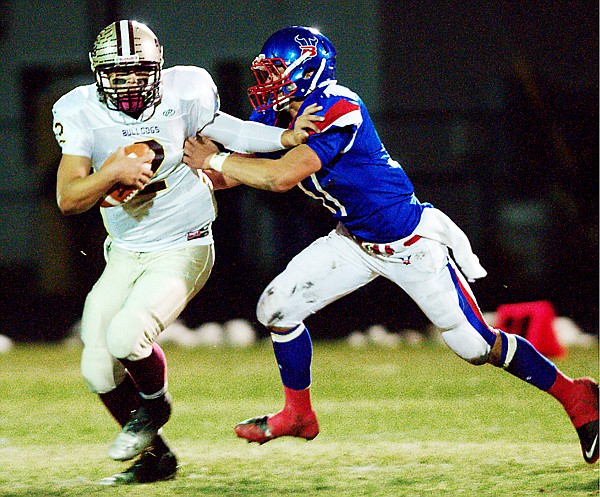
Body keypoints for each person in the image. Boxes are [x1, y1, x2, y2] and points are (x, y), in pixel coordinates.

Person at [183, 25, 599, 464]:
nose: (268, 85)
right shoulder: (284, 116)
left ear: (308, 70)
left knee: (474, 346)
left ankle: (578, 396)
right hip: (353, 241)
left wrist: (211, 157)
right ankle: (298, 415)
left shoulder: (339, 106)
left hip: (410, 242)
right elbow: (232, 173)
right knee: (276, 309)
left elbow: (279, 177)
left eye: (277, 73)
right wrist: (173, 176)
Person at [52, 20, 320, 485]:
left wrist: (284, 139)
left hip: (185, 244)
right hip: (126, 250)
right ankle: (157, 459)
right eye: (118, 72)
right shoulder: (80, 111)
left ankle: (155, 406)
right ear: (97, 73)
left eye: (139, 71)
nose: (130, 82)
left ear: (158, 68)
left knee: (126, 337)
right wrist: (111, 171)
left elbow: (230, 130)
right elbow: (69, 198)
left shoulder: (185, 92)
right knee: (97, 367)